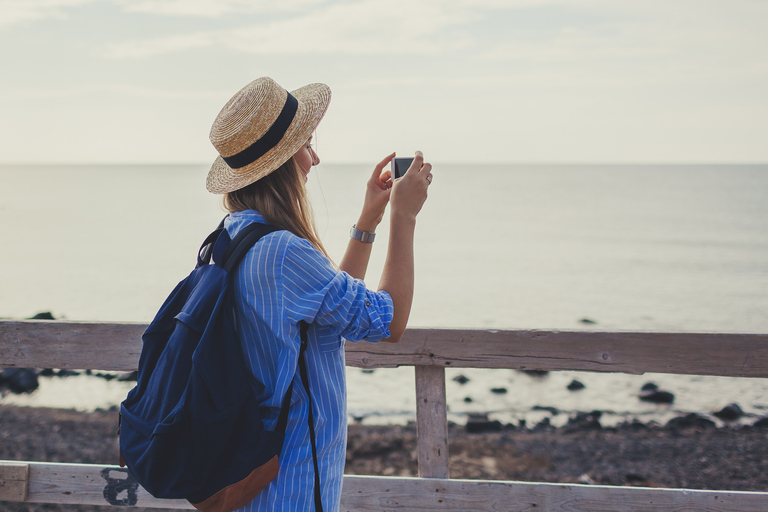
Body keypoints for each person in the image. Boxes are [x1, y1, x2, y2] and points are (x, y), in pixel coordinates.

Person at [205, 77, 433, 511]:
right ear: (285, 161)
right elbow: (390, 321)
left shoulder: (232, 237)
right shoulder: (284, 251)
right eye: (308, 145)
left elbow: (329, 310)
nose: (315, 158)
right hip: (290, 484)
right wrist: (405, 217)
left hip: (250, 478)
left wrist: (369, 218)